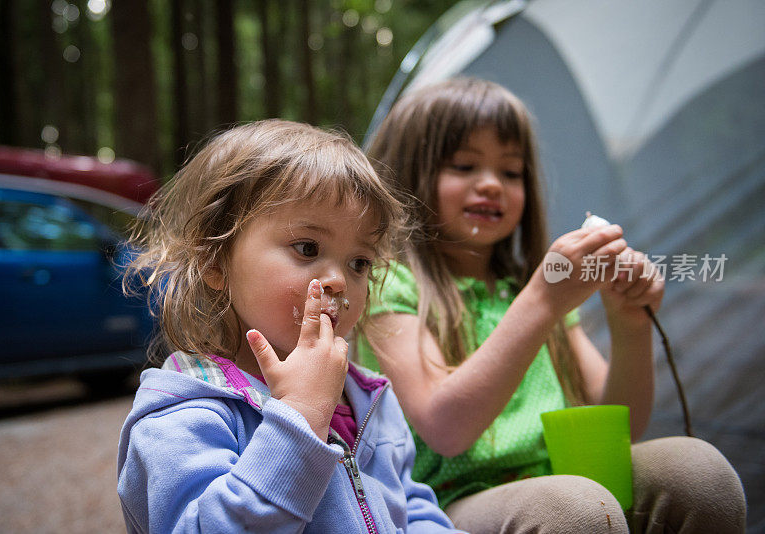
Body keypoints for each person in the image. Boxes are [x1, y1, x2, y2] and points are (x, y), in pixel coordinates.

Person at [358, 78, 746, 533]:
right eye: (464, 166)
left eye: (511, 172)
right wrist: (542, 300)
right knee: (572, 509)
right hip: (448, 502)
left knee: (700, 474)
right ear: (407, 180)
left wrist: (629, 325)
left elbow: (624, 424)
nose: (491, 185)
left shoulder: (527, 288)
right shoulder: (389, 286)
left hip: (565, 482)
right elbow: (447, 430)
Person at [116, 120, 463, 533]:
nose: (339, 280)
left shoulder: (369, 398)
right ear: (213, 260)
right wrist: (299, 419)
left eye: (359, 262)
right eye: (308, 248)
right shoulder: (183, 414)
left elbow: (411, 507)